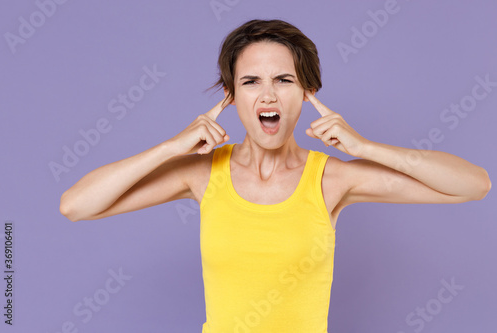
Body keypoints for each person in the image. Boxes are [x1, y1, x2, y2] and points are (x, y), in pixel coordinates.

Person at [59, 19, 491, 333]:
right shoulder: (203, 173)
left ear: (306, 92)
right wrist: (170, 147)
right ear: (231, 96)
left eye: (284, 80)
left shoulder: (332, 180)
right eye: (251, 82)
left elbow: (474, 184)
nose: (268, 94)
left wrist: (367, 149)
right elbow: (76, 205)